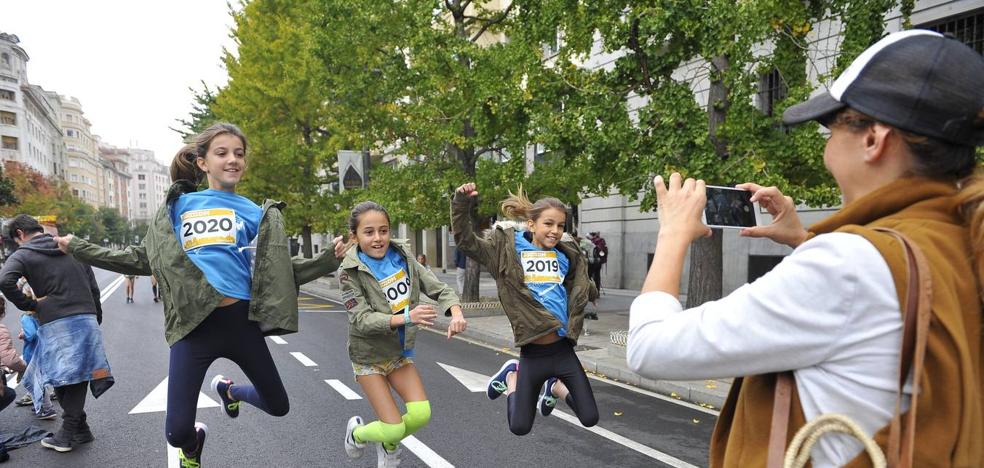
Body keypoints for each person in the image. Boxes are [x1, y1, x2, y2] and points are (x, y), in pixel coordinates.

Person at [627, 30, 984, 467]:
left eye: (832, 129)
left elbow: (649, 348)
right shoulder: (962, 233)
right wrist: (804, 239)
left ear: (874, 139)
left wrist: (672, 235)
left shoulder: (846, 264)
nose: (827, 149)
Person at [55, 123, 346, 467]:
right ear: (203, 162)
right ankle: (193, 448)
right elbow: (143, 258)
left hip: (241, 324)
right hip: (193, 327)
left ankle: (230, 391)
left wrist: (328, 259)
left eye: (239, 154)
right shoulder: (178, 208)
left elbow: (279, 269)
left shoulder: (254, 212)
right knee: (177, 433)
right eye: (222, 153)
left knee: (278, 405)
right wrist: (80, 248)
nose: (233, 160)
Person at [451, 183, 599, 435]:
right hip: (532, 353)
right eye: (548, 224)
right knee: (519, 427)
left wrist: (588, 291)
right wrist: (461, 204)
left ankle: (554, 387)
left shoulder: (566, 254)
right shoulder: (507, 250)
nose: (555, 231)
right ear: (532, 224)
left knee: (589, 417)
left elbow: (579, 284)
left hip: (563, 350)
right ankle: (511, 377)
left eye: (561, 226)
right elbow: (466, 242)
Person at [341, 201, 466, 467]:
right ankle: (357, 434)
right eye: (369, 232)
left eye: (383, 230)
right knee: (395, 429)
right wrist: (407, 317)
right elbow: (362, 320)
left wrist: (456, 313)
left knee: (421, 414)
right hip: (368, 357)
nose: (378, 238)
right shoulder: (348, 272)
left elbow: (439, 289)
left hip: (398, 353)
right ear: (355, 236)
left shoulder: (404, 257)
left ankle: (387, 444)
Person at [0, 214, 110, 453]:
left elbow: (5, 280)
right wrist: (95, 314)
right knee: (72, 374)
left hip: (56, 321)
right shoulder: (69, 245)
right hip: (85, 316)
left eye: (15, 240)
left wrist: (32, 305)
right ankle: (80, 428)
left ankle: (67, 433)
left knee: (65, 374)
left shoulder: (23, 253)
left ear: (19, 233)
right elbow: (92, 285)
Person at [13, 284, 56, 419]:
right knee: (41, 380)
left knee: (35, 382)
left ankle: (47, 409)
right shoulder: (42, 314)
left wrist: (23, 335)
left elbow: (31, 334)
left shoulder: (26, 317)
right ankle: (41, 404)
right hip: (44, 350)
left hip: (32, 353)